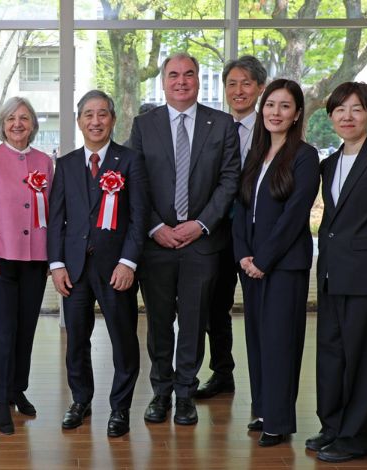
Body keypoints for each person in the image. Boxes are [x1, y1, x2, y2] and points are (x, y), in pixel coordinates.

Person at [127, 52, 240, 425]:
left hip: (202, 241)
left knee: (194, 319)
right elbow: (136, 182)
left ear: (197, 79)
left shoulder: (221, 124)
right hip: (156, 242)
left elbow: (229, 181)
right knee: (159, 321)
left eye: (188, 74)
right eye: (173, 75)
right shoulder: (145, 125)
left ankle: (186, 393)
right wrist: (156, 226)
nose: (181, 81)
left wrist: (201, 224)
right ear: (163, 82)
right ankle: (160, 392)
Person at [306, 82, 367, 463]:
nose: (347, 116)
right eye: (340, 110)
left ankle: (355, 438)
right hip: (331, 271)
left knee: (363, 360)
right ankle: (332, 426)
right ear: (331, 116)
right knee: (331, 353)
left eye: (356, 109)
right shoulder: (328, 163)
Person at [48, 90, 147, 438]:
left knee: (123, 340)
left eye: (102, 114)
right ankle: (81, 400)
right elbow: (56, 217)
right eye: (88, 114)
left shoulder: (130, 161)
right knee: (76, 338)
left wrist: (128, 262)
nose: (95, 121)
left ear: (113, 119)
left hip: (116, 268)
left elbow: (138, 218)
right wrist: (57, 264)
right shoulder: (66, 163)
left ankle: (120, 408)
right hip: (74, 269)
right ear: (78, 121)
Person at [233, 79, 320, 446]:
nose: (275, 112)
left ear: (297, 113)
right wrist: (243, 255)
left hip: (283, 266)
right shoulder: (256, 154)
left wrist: (264, 259)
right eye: (270, 105)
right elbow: (240, 208)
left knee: (280, 341)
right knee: (256, 339)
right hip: (251, 264)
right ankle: (265, 408)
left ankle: (280, 422)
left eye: (285, 106)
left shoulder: (304, 155)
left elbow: (295, 214)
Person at [0, 97, 54, 435]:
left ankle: (18, 388)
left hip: (34, 259)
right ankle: (1, 401)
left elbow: (53, 210)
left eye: (24, 118)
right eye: (11, 119)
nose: (17, 124)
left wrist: (53, 255)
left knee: (25, 330)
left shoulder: (45, 161)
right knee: (2, 333)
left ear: (33, 124)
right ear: (2, 124)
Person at [196, 55, 267, 400]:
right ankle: (222, 372)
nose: (238, 91)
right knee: (215, 306)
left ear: (260, 88)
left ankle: (265, 388)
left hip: (256, 236)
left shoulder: (270, 128)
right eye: (232, 84)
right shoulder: (215, 127)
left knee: (258, 310)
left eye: (246, 84)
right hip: (220, 233)